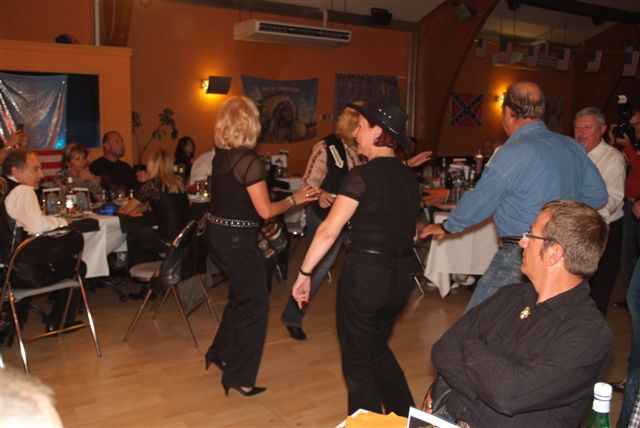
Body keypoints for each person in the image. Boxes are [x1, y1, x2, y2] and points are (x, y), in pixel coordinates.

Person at [420, 81, 607, 310]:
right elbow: (598, 195)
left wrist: (448, 226)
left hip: (521, 252)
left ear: (508, 112)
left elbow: (482, 200)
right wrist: (561, 216)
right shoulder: (571, 146)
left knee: (480, 322)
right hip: (563, 253)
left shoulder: (513, 152)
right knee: (543, 320)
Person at [429, 200, 612, 427]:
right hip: (448, 418)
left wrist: (471, 346)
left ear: (554, 253)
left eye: (530, 235)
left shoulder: (589, 336)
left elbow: (509, 393)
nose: (522, 242)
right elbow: (443, 348)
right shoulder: (511, 296)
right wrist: (486, 391)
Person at [292, 98, 420, 417]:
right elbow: (411, 233)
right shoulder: (408, 178)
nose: (355, 134)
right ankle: (409, 419)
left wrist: (304, 274)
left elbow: (327, 231)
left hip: (367, 277)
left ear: (377, 133)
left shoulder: (361, 176)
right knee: (375, 349)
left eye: (360, 127)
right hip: (401, 280)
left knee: (358, 363)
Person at [281, 103, 430, 341]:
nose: (356, 132)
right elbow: (308, 183)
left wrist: (407, 165)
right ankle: (293, 317)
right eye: (356, 126)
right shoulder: (326, 147)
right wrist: (321, 194)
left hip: (355, 222)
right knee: (318, 269)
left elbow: (379, 176)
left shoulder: (363, 153)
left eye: (360, 126)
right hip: (325, 217)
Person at [203, 95, 319, 397]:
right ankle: (239, 377)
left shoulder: (220, 156)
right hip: (238, 243)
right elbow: (265, 211)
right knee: (255, 306)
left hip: (219, 237)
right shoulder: (249, 162)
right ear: (250, 124)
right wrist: (294, 199)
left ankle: (219, 351)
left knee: (240, 298)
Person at [0, 150, 77, 343]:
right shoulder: (23, 191)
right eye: (35, 169)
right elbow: (37, 226)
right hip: (17, 273)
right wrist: (62, 222)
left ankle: (9, 327)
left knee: (33, 259)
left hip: (5, 269)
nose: (41, 175)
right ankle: (59, 322)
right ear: (16, 171)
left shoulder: (3, 187)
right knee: (76, 266)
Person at [573, 107, 625, 316]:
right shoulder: (571, 154)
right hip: (574, 229)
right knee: (574, 290)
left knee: (597, 294)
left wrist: (580, 209)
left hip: (604, 230)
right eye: (577, 128)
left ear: (602, 129)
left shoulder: (613, 158)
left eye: (587, 127)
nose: (581, 133)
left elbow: (612, 200)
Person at [119, 149, 192, 278]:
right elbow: (165, 204)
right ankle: (155, 272)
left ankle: (138, 273)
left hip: (168, 242)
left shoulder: (152, 185)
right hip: (186, 239)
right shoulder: (178, 182)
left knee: (133, 232)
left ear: (151, 165)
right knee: (144, 232)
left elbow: (126, 211)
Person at [89, 130, 144, 195]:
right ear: (106, 146)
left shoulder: (126, 167)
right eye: (117, 141)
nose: (121, 144)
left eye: (121, 141)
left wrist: (141, 180)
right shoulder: (96, 166)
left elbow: (134, 190)